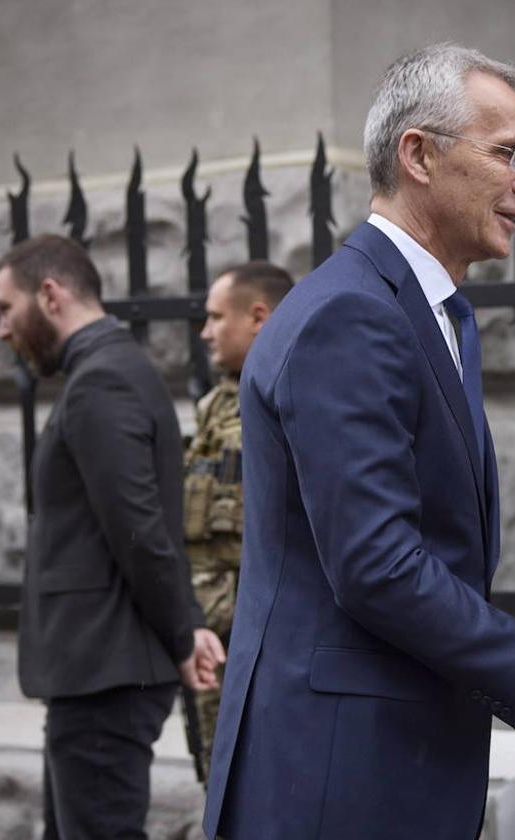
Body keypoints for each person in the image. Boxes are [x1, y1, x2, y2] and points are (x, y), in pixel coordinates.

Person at [202, 43, 515, 840]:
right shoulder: (352, 314)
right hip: (337, 780)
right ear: (420, 156)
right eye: (509, 154)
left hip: (384, 768)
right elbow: (377, 565)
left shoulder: (429, 311)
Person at [0, 234, 225, 839]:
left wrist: (183, 632)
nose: (2, 330)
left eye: (5, 309)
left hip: (106, 673)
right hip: (96, 671)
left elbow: (138, 526)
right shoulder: (103, 371)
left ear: (50, 294)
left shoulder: (103, 380)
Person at [183, 261, 292, 782]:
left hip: (262, 643)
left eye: (213, 317)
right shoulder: (214, 405)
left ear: (257, 317)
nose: (204, 332)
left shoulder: (291, 395)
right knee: (215, 779)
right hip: (210, 637)